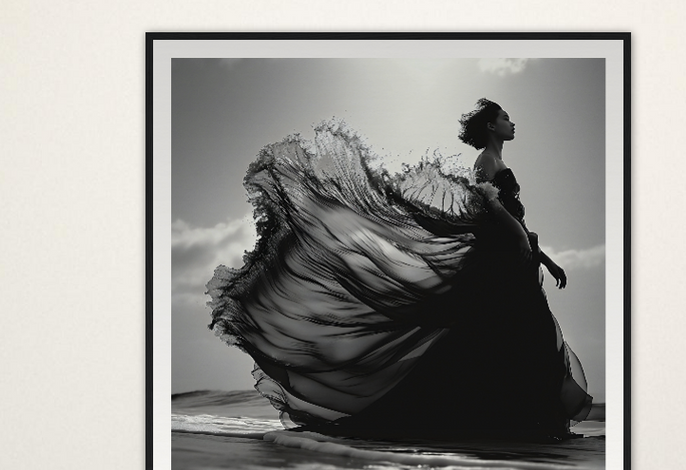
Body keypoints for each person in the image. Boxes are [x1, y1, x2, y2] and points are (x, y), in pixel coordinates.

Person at [206, 99, 592, 445]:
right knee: (518, 339)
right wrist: (523, 245)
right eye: (506, 117)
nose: (512, 122)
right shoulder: (486, 163)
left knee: (518, 340)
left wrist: (542, 258)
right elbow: (494, 211)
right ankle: (509, 426)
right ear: (491, 126)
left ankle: (517, 423)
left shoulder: (498, 161)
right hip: (506, 263)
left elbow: (516, 222)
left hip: (517, 260)